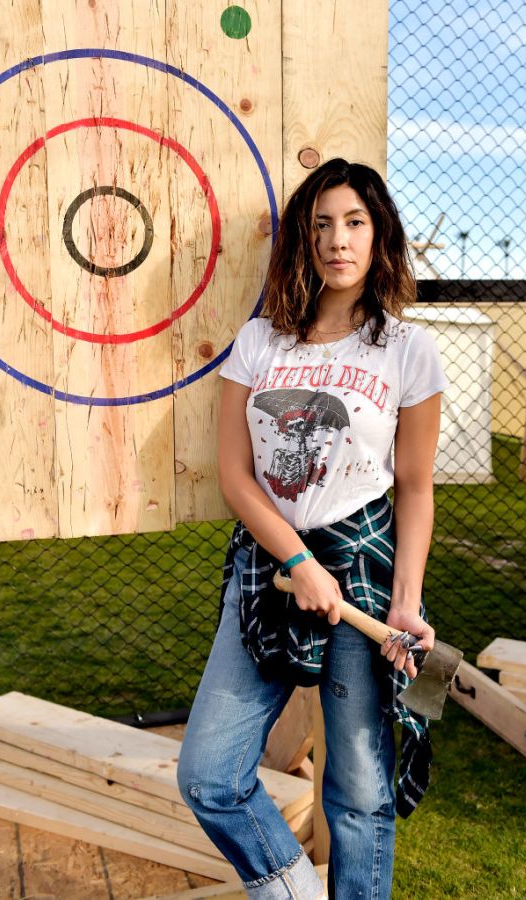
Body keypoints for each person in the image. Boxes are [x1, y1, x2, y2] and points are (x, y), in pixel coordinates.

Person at [177, 158, 448, 899]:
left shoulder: (406, 350)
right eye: (322, 223)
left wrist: (406, 602)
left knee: (360, 795)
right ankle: (290, 889)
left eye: (354, 222)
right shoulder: (260, 341)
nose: (338, 240)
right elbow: (236, 477)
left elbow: (416, 487)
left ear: (378, 234)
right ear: (303, 237)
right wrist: (295, 559)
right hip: (268, 571)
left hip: (361, 572)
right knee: (208, 774)